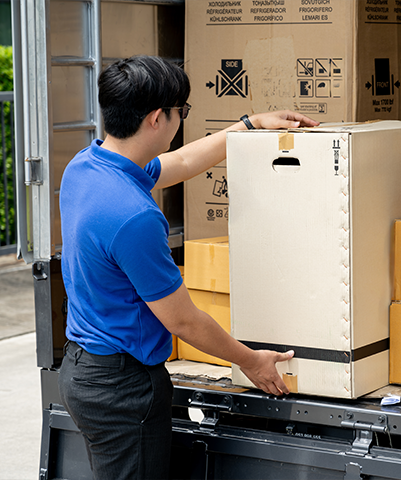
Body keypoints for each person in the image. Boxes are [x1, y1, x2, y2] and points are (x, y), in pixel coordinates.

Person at [57, 54, 319, 480]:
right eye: (182, 110)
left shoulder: (86, 167)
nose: (182, 119)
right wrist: (250, 360)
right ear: (156, 118)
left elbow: (178, 163)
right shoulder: (134, 217)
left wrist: (249, 125)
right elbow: (183, 321)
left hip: (83, 368)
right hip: (121, 387)